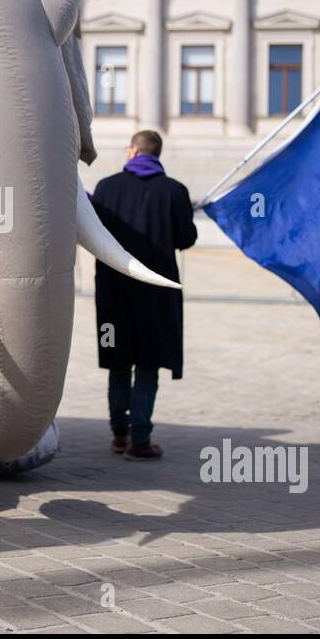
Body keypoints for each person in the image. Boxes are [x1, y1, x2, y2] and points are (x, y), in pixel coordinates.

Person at [90, 130, 197, 460]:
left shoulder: (107, 188)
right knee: (149, 363)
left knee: (118, 360)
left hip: (114, 290)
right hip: (157, 294)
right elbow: (186, 238)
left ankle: (118, 434)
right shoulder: (175, 191)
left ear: (134, 151)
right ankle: (140, 439)